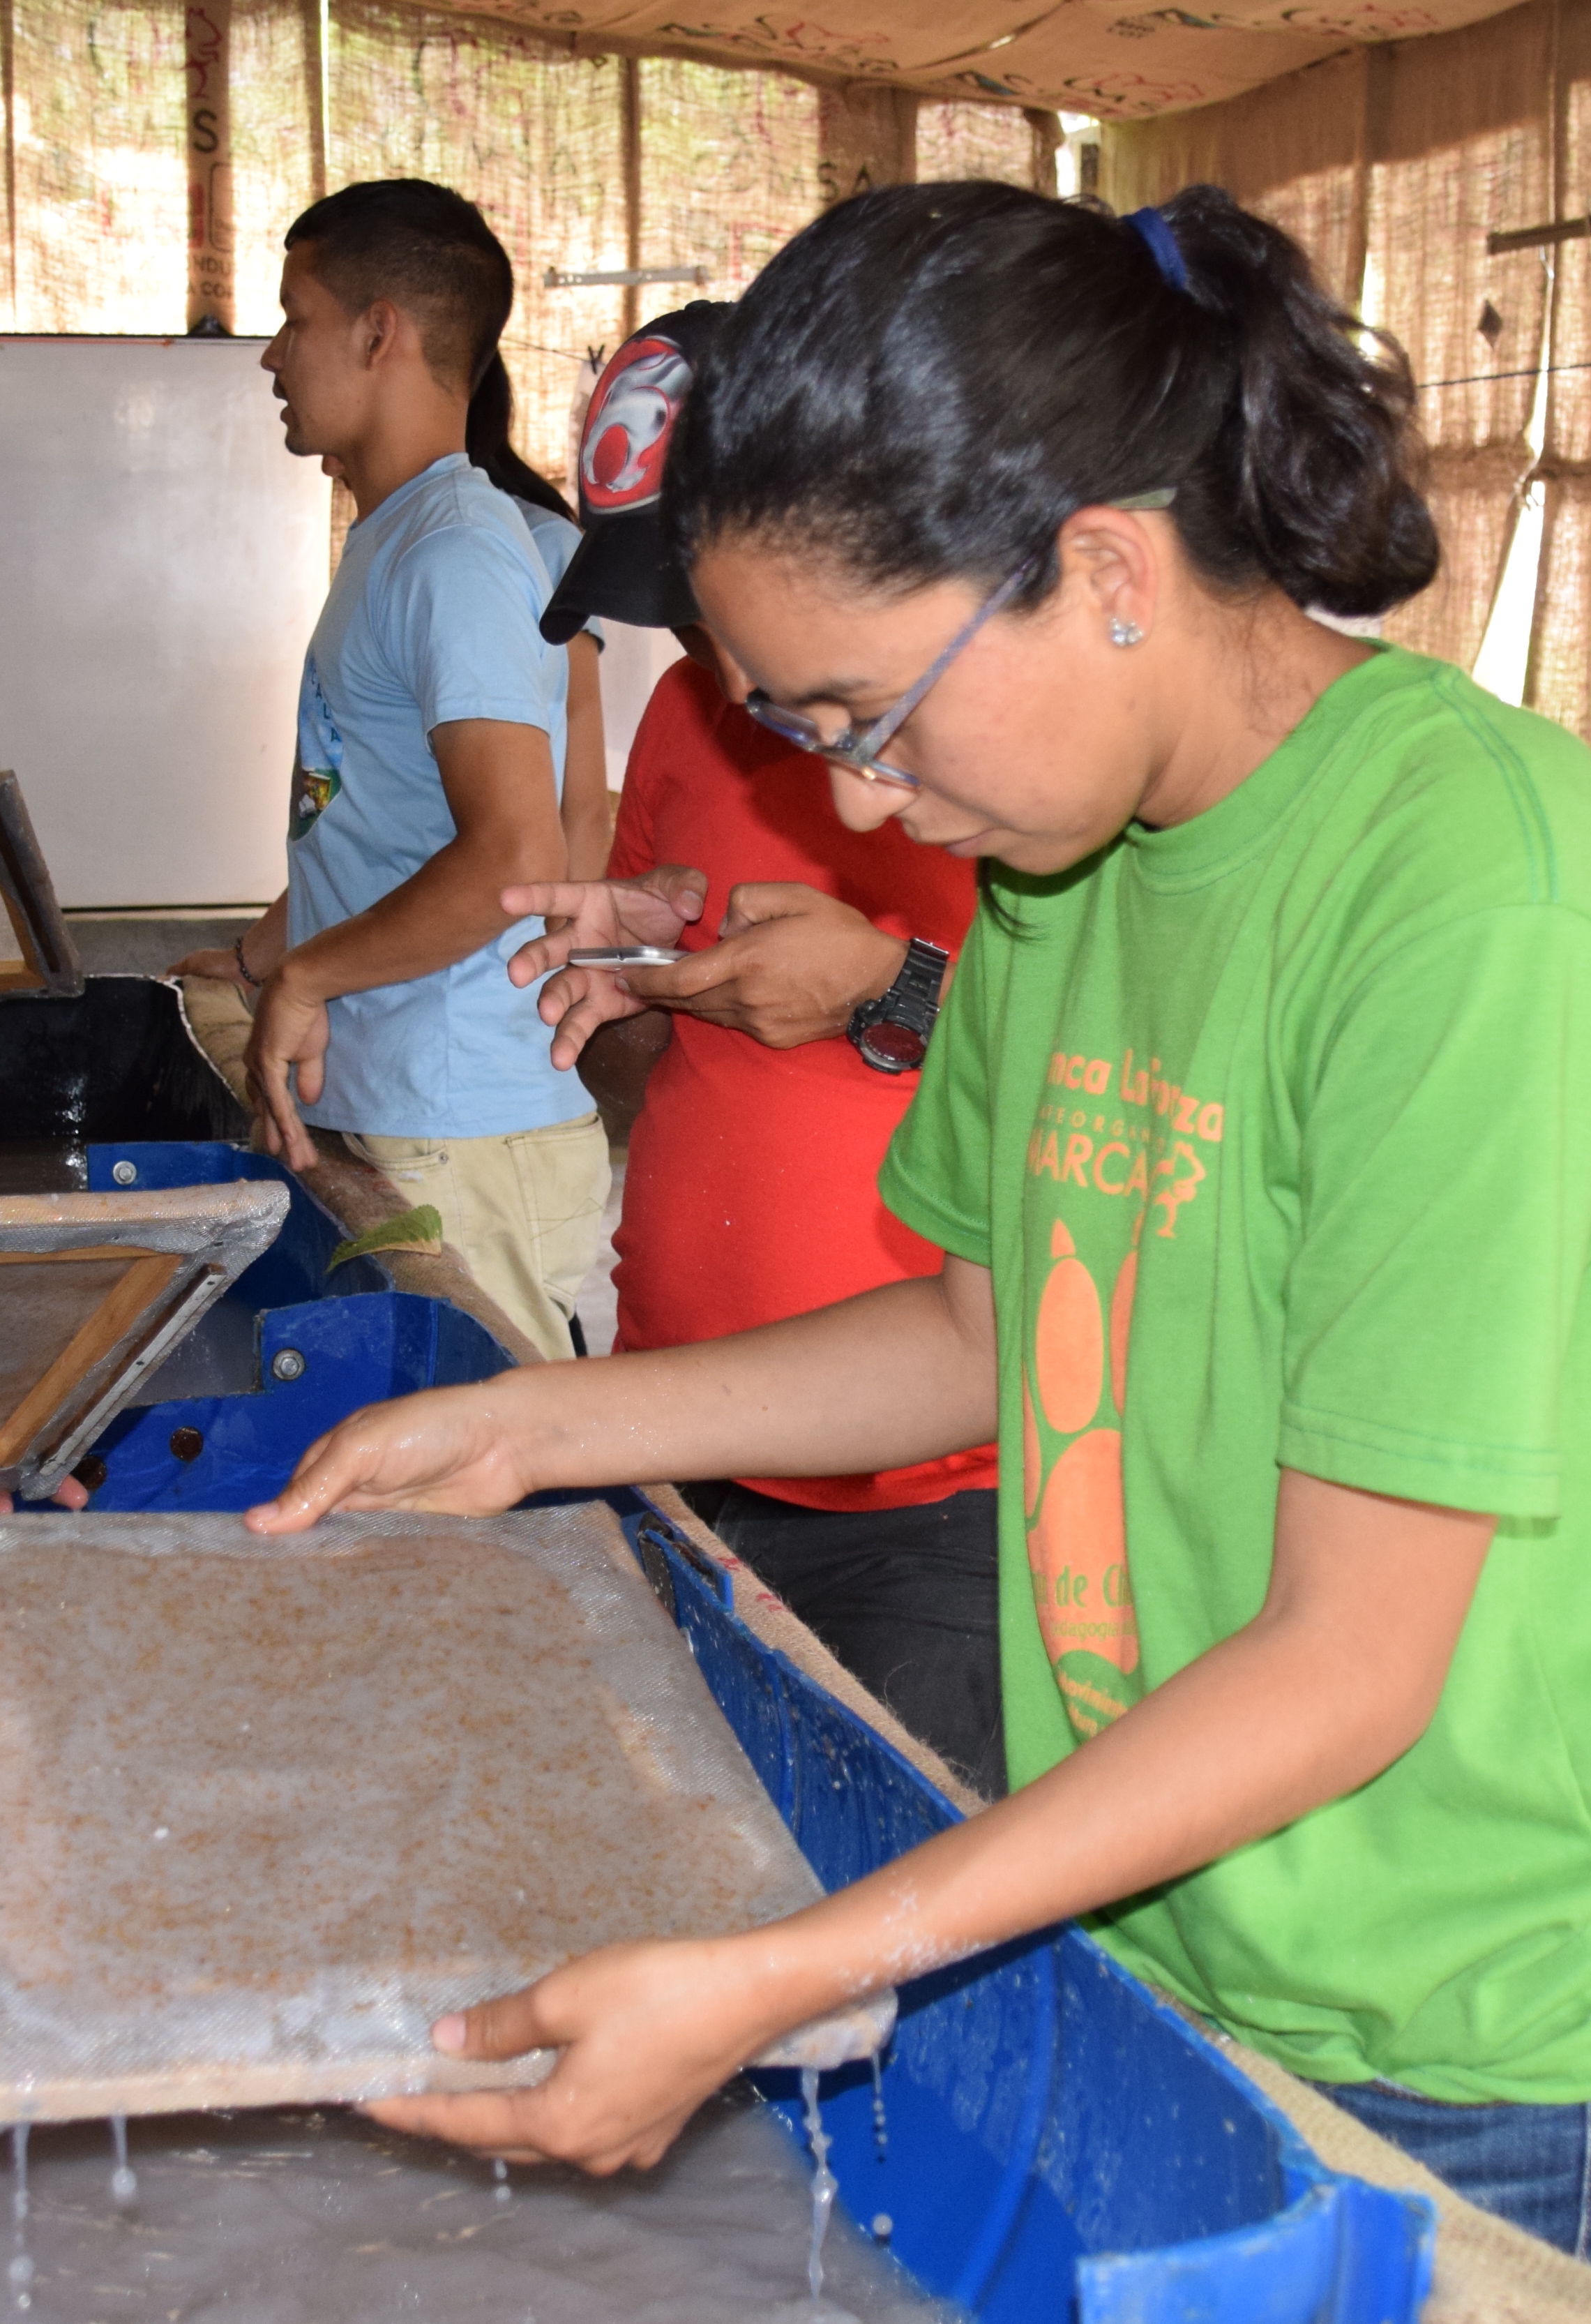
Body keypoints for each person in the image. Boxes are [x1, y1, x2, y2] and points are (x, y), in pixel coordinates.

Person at [248, 183, 1591, 2305]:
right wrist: (544, 1424)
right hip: (1171, 1911)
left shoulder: (1471, 913)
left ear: (1101, 566)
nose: (860, 811)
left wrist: (797, 1968)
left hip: (1482, 2013)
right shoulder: (1072, 865)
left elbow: (1349, 1661)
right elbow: (987, 1330)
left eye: (870, 714)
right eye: (803, 734)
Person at [514, 303, 1003, 1793]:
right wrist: (644, 942)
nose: (727, 678)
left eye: (728, 618)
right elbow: (693, 897)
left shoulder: (998, 745)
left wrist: (885, 988)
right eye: (682, 620)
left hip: (918, 1487)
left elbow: (1074, 1048)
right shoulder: (687, 704)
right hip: (687, 1414)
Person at [174, 179, 604, 1363]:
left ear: (380, 331)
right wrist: (269, 950)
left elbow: (518, 853)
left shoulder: (458, 551)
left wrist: (307, 980)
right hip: (410, 1107)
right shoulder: (396, 541)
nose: (270, 355)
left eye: (293, 317)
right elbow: (378, 823)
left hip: (461, 1124)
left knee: (488, 1489)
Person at [463, 354, 609, 880]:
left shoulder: (546, 544)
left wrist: (572, 943)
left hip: (507, 929)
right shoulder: (380, 540)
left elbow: (584, 798)